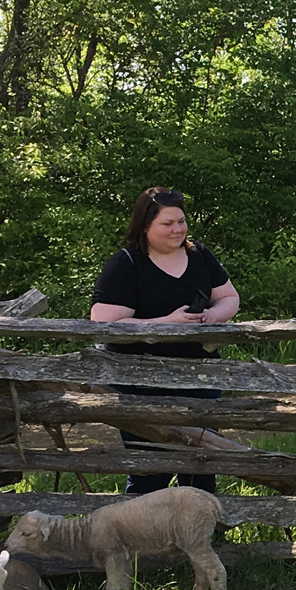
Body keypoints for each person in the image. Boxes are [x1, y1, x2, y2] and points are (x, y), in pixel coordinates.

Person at [92, 186, 240, 494]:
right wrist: (164, 324)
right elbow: (103, 324)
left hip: (199, 379)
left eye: (181, 221)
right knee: (149, 470)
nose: (177, 229)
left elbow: (229, 297)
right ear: (145, 226)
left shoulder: (199, 255)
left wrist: (211, 317)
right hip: (141, 382)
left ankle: (199, 537)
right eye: (167, 223)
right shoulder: (125, 264)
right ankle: (143, 538)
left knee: (201, 464)